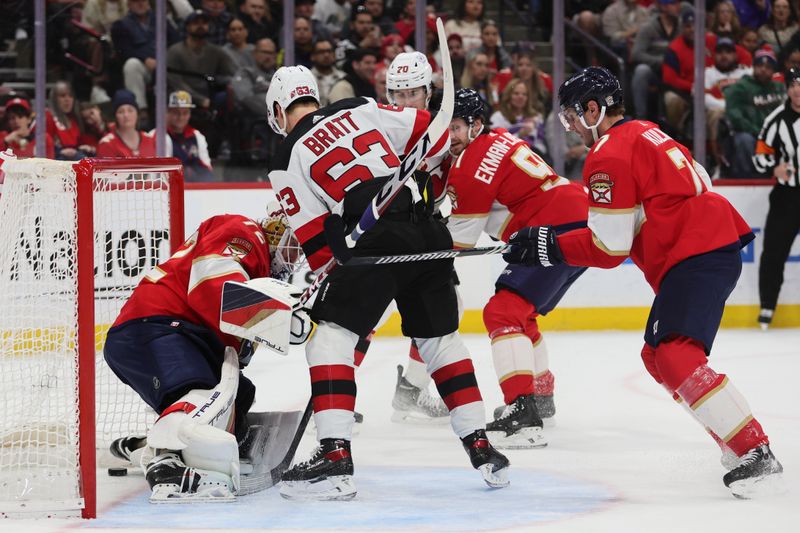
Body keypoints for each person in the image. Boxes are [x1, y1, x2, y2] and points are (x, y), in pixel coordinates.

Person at [504, 66, 784, 498]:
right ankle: (737, 444)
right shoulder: (647, 132)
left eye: (572, 117)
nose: (572, 127)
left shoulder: (608, 154)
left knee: (674, 354)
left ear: (593, 110)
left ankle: (754, 451)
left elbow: (610, 248)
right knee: (656, 356)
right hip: (706, 246)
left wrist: (548, 245)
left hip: (697, 253)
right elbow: (694, 185)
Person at [266, 65, 510, 500]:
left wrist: (335, 269)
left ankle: (334, 458)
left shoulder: (286, 156)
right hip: (428, 227)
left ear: (279, 110)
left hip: (373, 239)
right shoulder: (358, 107)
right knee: (441, 341)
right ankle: (481, 446)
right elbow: (431, 134)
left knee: (330, 341)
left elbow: (318, 245)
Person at [103, 205, 305, 501]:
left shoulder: (259, 270)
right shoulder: (243, 231)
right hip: (157, 326)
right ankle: (165, 462)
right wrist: (275, 320)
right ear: (278, 229)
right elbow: (212, 287)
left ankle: (143, 447)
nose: (294, 258)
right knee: (201, 394)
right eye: (293, 247)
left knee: (239, 396)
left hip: (182, 334)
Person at [447, 88, 589, 446]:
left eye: (455, 128)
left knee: (503, 312)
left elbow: (457, 241)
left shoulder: (470, 164)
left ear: (477, 125)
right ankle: (540, 396)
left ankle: (523, 413)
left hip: (551, 227)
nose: (449, 138)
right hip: (576, 217)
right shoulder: (497, 139)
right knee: (520, 314)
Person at [752, 67, 800, 329]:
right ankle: (767, 306)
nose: (797, 90)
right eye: (793, 85)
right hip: (787, 195)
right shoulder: (776, 119)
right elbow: (760, 155)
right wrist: (774, 168)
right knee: (773, 252)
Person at [723, 48, 785, 178]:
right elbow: (735, 115)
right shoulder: (741, 87)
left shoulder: (780, 89)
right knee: (744, 141)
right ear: (753, 67)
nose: (763, 69)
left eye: (768, 67)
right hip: (749, 133)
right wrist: (757, 132)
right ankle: (744, 178)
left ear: (773, 70)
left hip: (775, 134)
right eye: (759, 65)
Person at [161, 91, 214, 182]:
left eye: (185, 113)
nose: (181, 117)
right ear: (167, 113)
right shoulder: (158, 136)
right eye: (176, 113)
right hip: (170, 190)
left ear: (190, 114)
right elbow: (162, 173)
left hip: (195, 189)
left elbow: (207, 169)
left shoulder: (197, 136)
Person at [97, 89, 157, 157]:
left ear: (137, 114)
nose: (126, 115)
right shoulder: (107, 143)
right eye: (121, 112)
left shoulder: (149, 139)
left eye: (130, 110)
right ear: (115, 116)